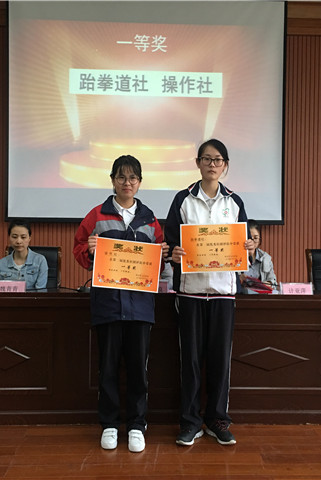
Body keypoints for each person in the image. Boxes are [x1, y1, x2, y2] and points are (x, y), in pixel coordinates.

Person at [73, 155, 169, 453]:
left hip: (140, 306)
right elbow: (79, 250)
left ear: (139, 182)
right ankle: (110, 424)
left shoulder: (150, 220)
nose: (127, 183)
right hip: (108, 305)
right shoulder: (96, 216)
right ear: (112, 180)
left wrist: (163, 254)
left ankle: (137, 425)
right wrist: (88, 249)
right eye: (121, 177)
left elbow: (159, 262)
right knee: (108, 368)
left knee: (139, 369)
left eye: (133, 178)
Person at [165, 139, 250, 447]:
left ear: (225, 165)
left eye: (217, 160)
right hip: (190, 292)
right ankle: (189, 422)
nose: (212, 165)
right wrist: (174, 253)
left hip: (224, 291)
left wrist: (247, 247)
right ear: (197, 163)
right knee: (189, 360)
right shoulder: (183, 200)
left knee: (220, 360)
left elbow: (241, 245)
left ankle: (217, 420)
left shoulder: (234, 201)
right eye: (206, 159)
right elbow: (170, 243)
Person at [0, 219, 48, 291]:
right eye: (14, 237)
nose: (18, 241)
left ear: (29, 238)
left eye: (23, 237)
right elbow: (0, 292)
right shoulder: (2, 263)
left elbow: (40, 292)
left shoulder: (40, 261)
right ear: (9, 237)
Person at [238, 219, 277, 292]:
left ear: (259, 240)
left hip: (260, 296)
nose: (252, 242)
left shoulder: (265, 258)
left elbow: (273, 282)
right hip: (240, 295)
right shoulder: (236, 257)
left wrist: (267, 284)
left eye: (255, 238)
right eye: (249, 238)